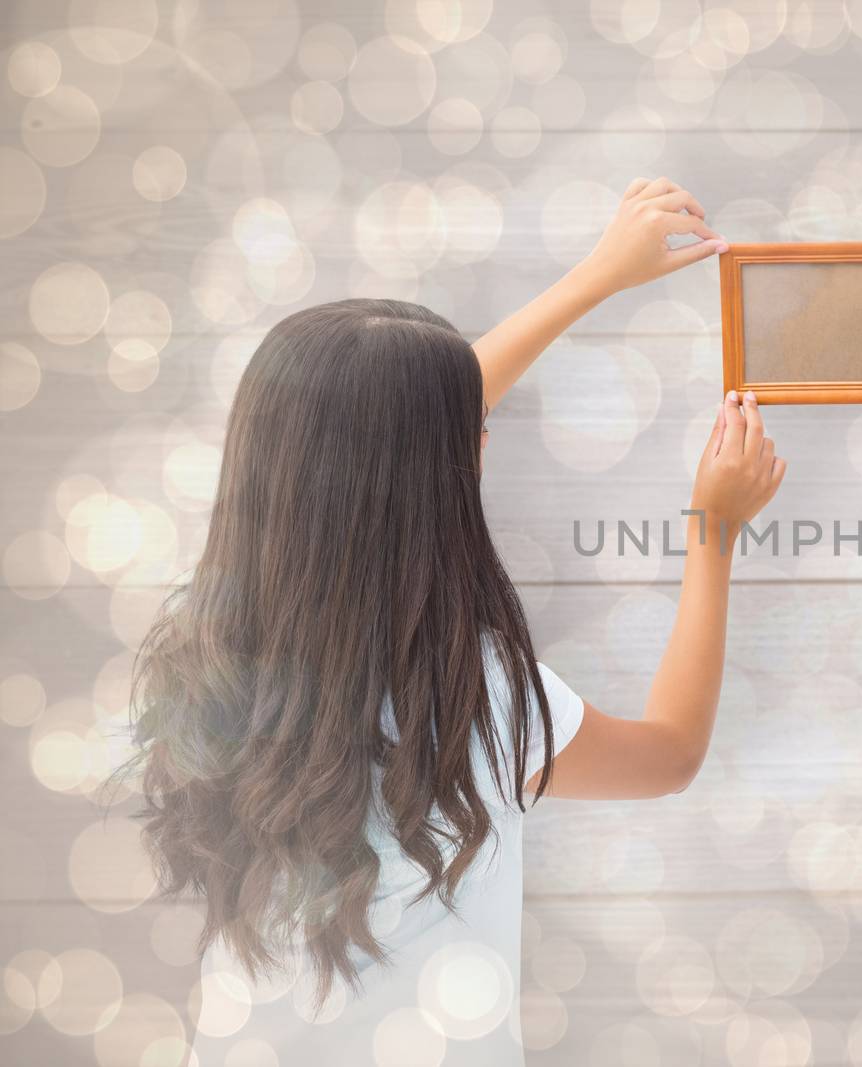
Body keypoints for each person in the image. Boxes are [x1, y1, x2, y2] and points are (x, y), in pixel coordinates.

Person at [120, 177, 787, 1065]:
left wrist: (592, 279)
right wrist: (713, 532)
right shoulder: (470, 694)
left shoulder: (196, 656)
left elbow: (377, 425)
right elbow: (668, 753)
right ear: (433, 473)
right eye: (474, 428)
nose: (484, 431)